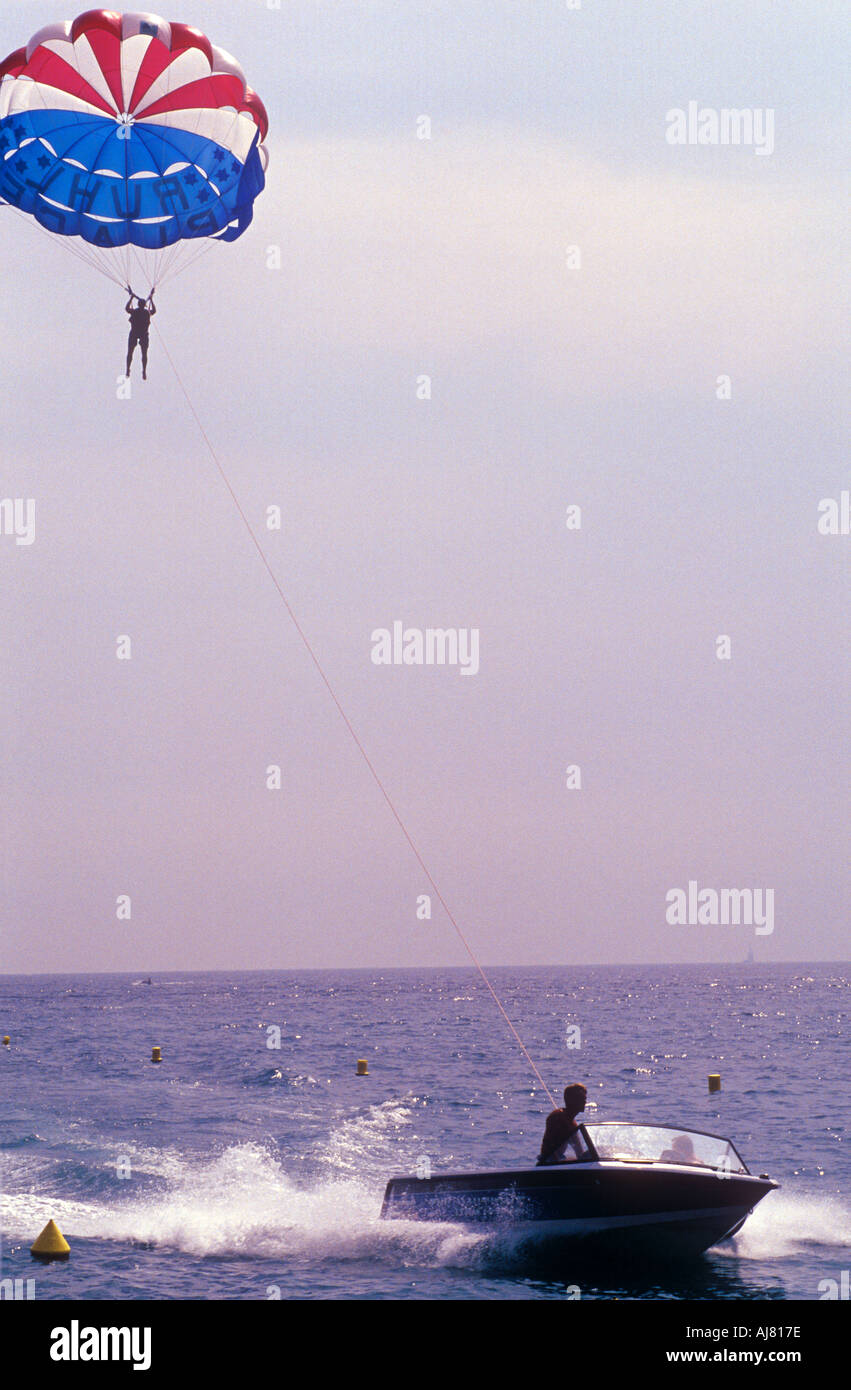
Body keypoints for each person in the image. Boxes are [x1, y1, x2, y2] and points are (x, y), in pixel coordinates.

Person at [537, 1082, 587, 1165]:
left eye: (585, 1099)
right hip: (548, 1164)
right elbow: (549, 1151)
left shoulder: (572, 1123)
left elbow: (579, 1152)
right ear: (572, 1100)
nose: (585, 1102)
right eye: (582, 1099)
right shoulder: (557, 1117)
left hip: (558, 1161)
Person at [125, 290, 156, 380]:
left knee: (131, 352)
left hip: (137, 334)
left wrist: (131, 298)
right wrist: (151, 299)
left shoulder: (136, 312)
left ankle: (129, 369)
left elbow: (127, 309)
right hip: (141, 334)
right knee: (143, 353)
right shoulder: (146, 312)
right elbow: (154, 311)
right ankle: (143, 371)